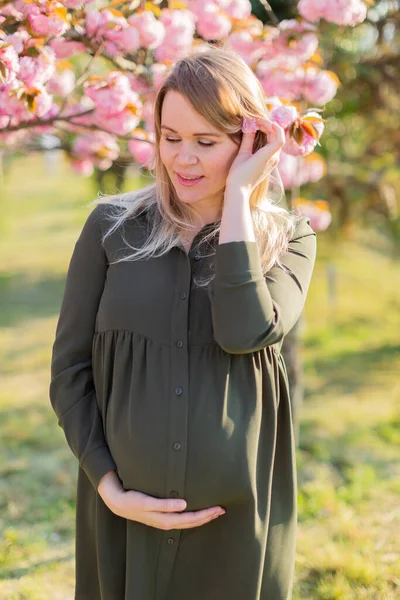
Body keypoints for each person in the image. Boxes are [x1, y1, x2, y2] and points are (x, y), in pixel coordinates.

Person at [49, 45, 317, 600]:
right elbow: (70, 371)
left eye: (206, 142)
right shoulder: (109, 229)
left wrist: (240, 197)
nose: (183, 160)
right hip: (122, 518)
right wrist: (109, 486)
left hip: (237, 529)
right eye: (171, 138)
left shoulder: (291, 239)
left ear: (250, 141)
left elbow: (244, 332)